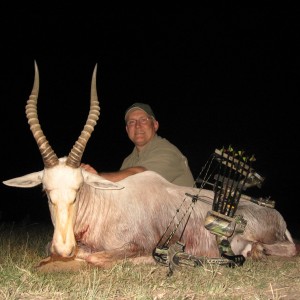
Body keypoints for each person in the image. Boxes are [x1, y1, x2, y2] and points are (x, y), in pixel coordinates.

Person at [81, 103, 195, 187]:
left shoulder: (168, 151)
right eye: (132, 122)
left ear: (155, 125)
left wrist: (96, 177)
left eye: (143, 120)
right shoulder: (128, 161)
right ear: (127, 129)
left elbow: (141, 176)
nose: (137, 126)